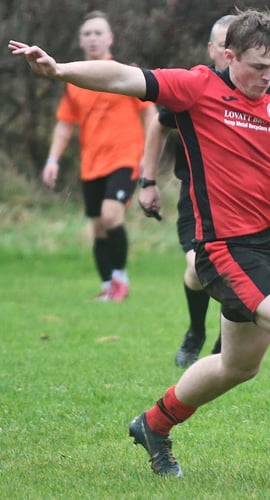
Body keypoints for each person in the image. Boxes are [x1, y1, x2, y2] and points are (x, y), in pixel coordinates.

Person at [9, 8, 270, 478]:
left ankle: (152, 424)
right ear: (228, 56)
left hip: (264, 249)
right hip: (221, 249)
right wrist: (59, 70)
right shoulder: (198, 86)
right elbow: (122, 76)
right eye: (258, 65)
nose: (267, 75)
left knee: (237, 366)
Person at [138, 14, 270, 368]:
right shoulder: (193, 88)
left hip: (250, 211)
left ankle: (223, 348)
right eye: (228, 42)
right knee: (197, 268)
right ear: (219, 50)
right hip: (197, 199)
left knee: (221, 274)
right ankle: (197, 331)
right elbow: (157, 126)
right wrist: (147, 181)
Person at [41, 10, 156, 301]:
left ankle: (120, 280)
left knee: (110, 215)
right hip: (92, 164)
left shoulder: (125, 73)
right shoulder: (74, 81)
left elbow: (150, 114)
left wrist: (148, 155)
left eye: (98, 33)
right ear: (81, 41)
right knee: (97, 226)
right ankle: (107, 286)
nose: (93, 39)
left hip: (126, 157)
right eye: (87, 34)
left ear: (110, 39)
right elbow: (65, 125)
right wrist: (53, 160)